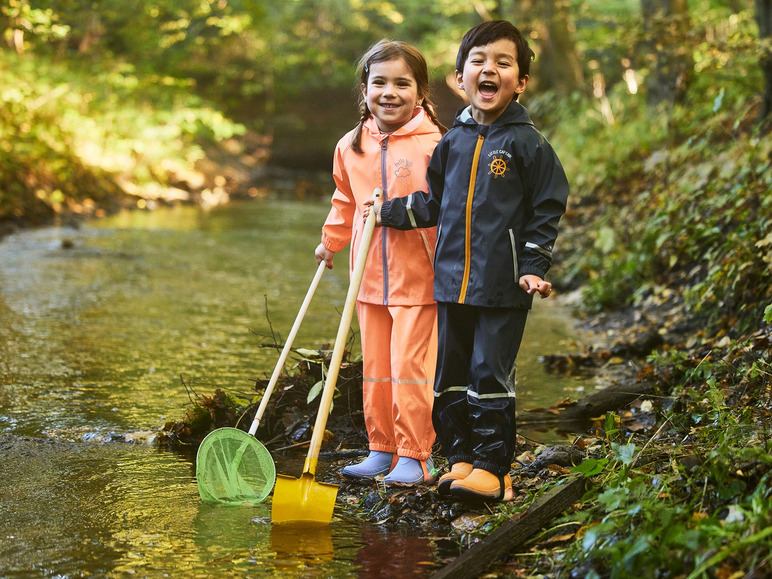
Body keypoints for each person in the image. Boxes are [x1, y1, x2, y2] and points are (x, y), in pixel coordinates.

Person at [366, 20, 569, 501]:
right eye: (478, 61)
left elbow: (548, 204)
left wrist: (534, 265)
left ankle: (495, 472)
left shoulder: (527, 143)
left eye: (502, 63)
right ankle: (459, 460)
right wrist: (387, 212)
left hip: (503, 285)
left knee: (489, 374)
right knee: (451, 375)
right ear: (460, 78)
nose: (489, 70)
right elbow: (433, 203)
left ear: (519, 82)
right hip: (451, 281)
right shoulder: (452, 142)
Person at [315, 39, 447, 485]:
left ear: (421, 91)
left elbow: (446, 205)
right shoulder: (352, 145)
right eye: (379, 83)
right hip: (367, 277)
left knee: (410, 369)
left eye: (402, 83)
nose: (389, 92)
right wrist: (330, 242)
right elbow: (343, 200)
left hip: (419, 276)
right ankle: (381, 447)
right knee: (377, 367)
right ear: (365, 89)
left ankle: (415, 454)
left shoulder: (436, 144)